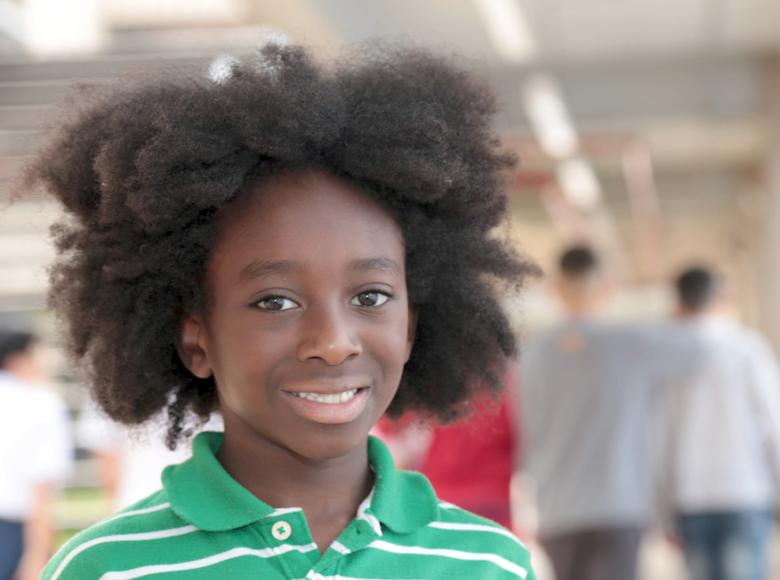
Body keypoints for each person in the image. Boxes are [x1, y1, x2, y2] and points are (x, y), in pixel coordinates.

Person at [27, 43, 539, 579]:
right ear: (195, 338)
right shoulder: (107, 569)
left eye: (371, 297)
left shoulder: (487, 564)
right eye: (276, 301)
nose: (335, 340)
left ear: (410, 325)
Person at [519, 245, 688, 580]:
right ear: (607, 285)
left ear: (557, 288)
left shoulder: (533, 357)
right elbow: (704, 346)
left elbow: (529, 434)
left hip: (558, 507)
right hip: (619, 504)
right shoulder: (636, 345)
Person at [661, 267, 780, 580]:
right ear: (722, 298)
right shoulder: (749, 349)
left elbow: (658, 438)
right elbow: (774, 423)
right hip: (745, 492)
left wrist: (661, 506)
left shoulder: (666, 358)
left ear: (678, 302)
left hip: (690, 497)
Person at [0, 330, 72, 580]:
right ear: (17, 359)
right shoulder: (42, 404)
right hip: (13, 530)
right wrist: (38, 556)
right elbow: (41, 487)